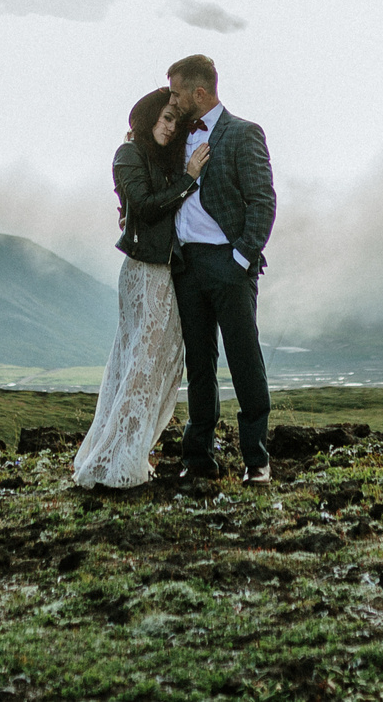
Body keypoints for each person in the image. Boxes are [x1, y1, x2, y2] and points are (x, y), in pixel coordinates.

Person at [71, 87, 207, 488]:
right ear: (148, 116)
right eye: (166, 117)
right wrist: (188, 180)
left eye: (175, 121)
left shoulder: (159, 157)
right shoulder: (128, 154)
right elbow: (146, 207)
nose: (170, 127)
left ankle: (129, 450)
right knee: (138, 365)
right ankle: (112, 459)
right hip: (143, 272)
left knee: (156, 364)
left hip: (165, 272)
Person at [165, 53, 277, 481]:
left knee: (244, 359)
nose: (172, 102)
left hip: (228, 264)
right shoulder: (177, 136)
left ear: (200, 92)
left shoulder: (244, 133)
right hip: (187, 266)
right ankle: (198, 461)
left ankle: (257, 460)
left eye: (177, 93)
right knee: (199, 365)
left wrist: (241, 258)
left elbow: (262, 202)